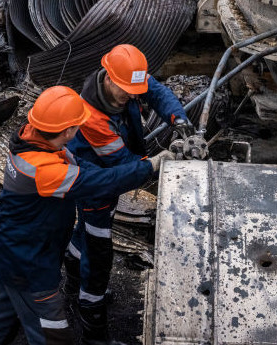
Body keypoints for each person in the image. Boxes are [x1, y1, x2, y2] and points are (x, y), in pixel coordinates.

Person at [0, 86, 168, 345]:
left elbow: (79, 166)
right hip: (30, 264)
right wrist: (149, 167)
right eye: (78, 125)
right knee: (52, 334)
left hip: (13, 250)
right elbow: (97, 182)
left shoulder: (33, 138)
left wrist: (138, 166)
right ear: (68, 131)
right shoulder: (43, 170)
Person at [64, 44, 193, 344]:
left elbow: (156, 91)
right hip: (96, 187)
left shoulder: (128, 79)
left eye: (134, 89)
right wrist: (158, 163)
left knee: (82, 233)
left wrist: (179, 120)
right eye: (125, 90)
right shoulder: (93, 117)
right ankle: (93, 327)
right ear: (108, 77)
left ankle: (71, 279)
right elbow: (123, 166)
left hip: (104, 182)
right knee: (98, 257)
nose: (132, 96)